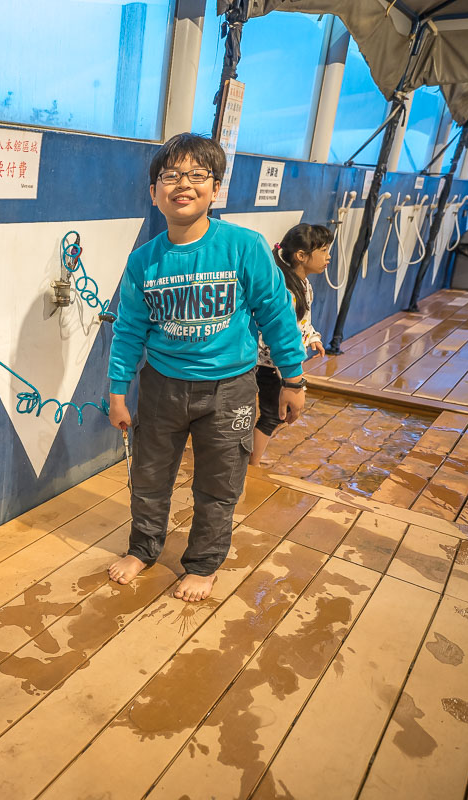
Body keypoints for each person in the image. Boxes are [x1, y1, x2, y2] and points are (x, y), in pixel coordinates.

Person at [105, 133, 308, 603]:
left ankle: (203, 564)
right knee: (150, 478)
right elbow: (129, 330)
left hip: (229, 389)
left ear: (215, 188)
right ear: (154, 191)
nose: (183, 185)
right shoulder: (144, 261)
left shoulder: (244, 246)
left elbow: (276, 314)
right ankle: (143, 548)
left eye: (197, 175)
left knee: (218, 485)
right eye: (170, 176)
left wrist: (292, 379)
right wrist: (118, 392)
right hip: (161, 388)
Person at [251, 224, 332, 466]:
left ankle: (250, 458)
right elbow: (270, 331)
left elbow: (303, 320)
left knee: (272, 414)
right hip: (268, 364)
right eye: (324, 251)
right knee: (272, 415)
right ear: (301, 256)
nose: (328, 257)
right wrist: (287, 369)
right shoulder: (283, 287)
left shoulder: (304, 285)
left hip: (282, 364)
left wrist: (313, 337)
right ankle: (251, 464)